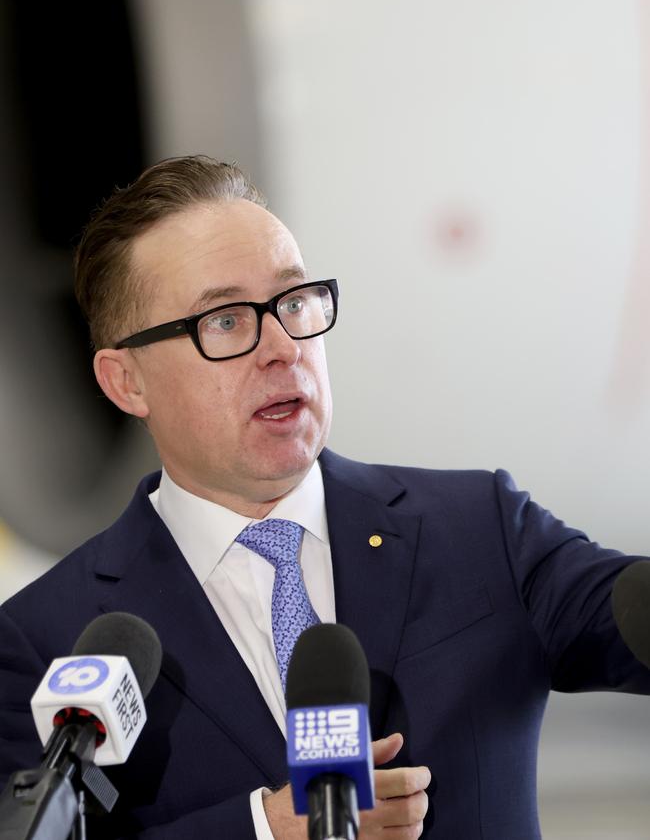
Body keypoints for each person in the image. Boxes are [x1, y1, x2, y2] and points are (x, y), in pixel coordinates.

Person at [0, 156, 648, 840]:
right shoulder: (49, 640)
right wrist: (265, 827)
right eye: (223, 320)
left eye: (294, 301)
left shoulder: (480, 529)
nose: (282, 345)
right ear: (126, 381)